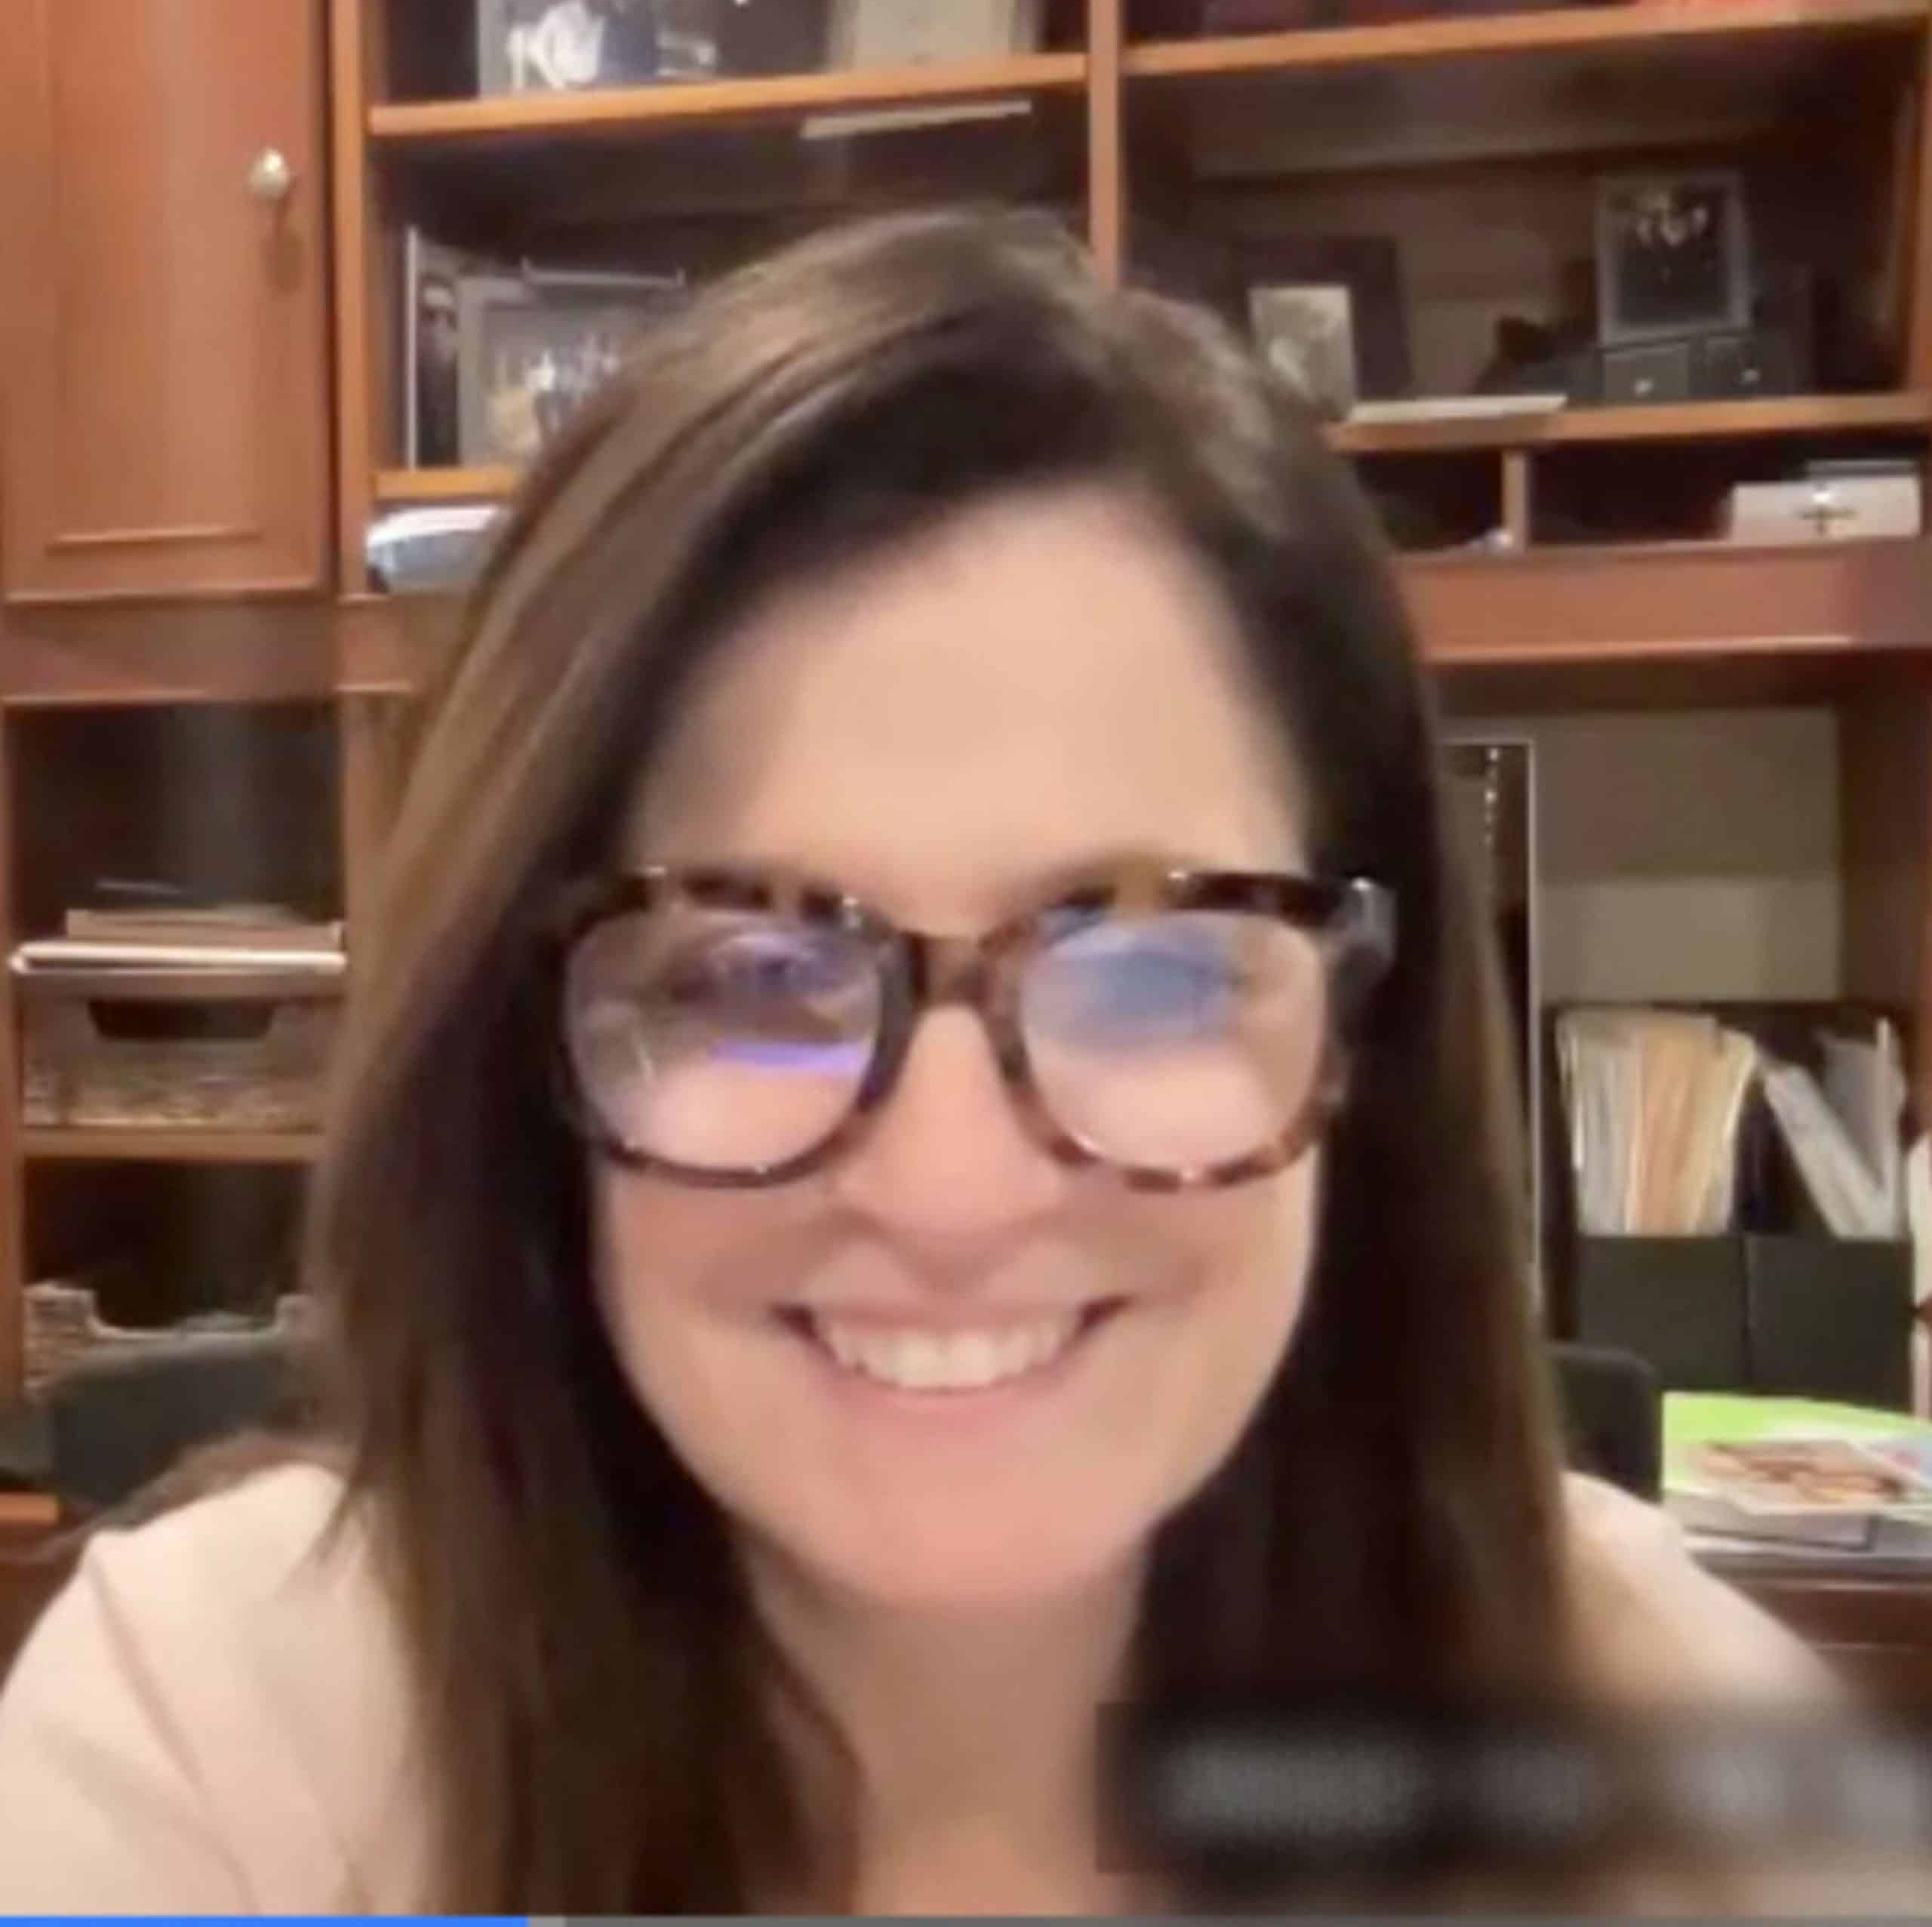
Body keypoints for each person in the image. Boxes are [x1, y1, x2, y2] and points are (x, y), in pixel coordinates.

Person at [0, 211, 1829, 1913]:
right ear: (519, 1058)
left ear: (1361, 1034)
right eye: (747, 972)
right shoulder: (223, 1759)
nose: (948, 1190)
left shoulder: (1678, 1777)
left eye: (1149, 968)